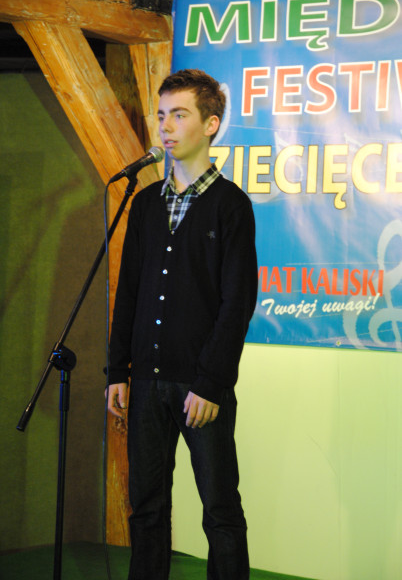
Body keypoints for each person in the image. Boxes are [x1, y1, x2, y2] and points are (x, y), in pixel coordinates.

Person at [106, 68, 258, 580]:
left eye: (179, 115)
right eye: (161, 115)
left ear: (210, 124)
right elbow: (129, 291)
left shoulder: (231, 205)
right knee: (146, 509)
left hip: (201, 387)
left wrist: (211, 382)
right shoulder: (145, 203)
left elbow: (237, 303)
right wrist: (117, 370)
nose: (166, 126)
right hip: (146, 383)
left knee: (220, 510)